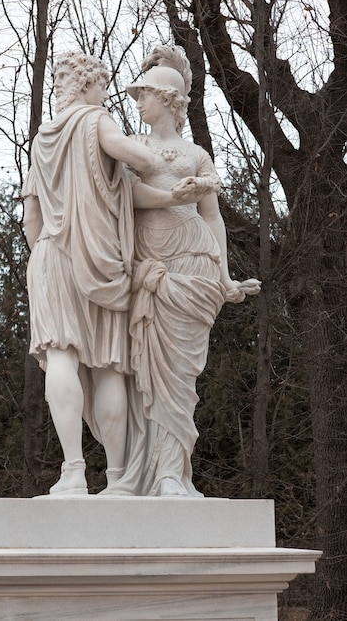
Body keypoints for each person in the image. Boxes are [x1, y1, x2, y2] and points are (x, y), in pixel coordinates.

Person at [22, 50, 197, 496]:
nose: (108, 94)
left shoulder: (42, 139)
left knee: (60, 356)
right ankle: (118, 476)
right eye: (102, 85)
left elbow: (31, 217)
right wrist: (152, 164)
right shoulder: (96, 121)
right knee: (108, 369)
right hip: (99, 260)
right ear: (88, 85)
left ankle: (74, 471)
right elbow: (139, 157)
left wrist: (46, 253)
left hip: (49, 256)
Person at [102, 46, 261, 497]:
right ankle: (140, 473)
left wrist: (226, 276)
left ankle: (172, 472)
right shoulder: (130, 149)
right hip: (146, 266)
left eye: (145, 95)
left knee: (178, 376)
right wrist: (173, 196)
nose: (137, 102)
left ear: (168, 100)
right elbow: (123, 200)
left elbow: (212, 218)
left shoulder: (196, 155)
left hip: (193, 266)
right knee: (143, 373)